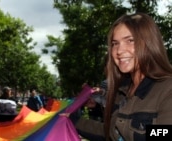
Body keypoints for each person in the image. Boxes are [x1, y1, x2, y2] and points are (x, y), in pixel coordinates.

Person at [62, 12, 172, 141]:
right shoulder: (122, 91)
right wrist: (72, 120)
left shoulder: (167, 89)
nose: (119, 51)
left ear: (149, 43)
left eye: (130, 40)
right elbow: (111, 133)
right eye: (115, 43)